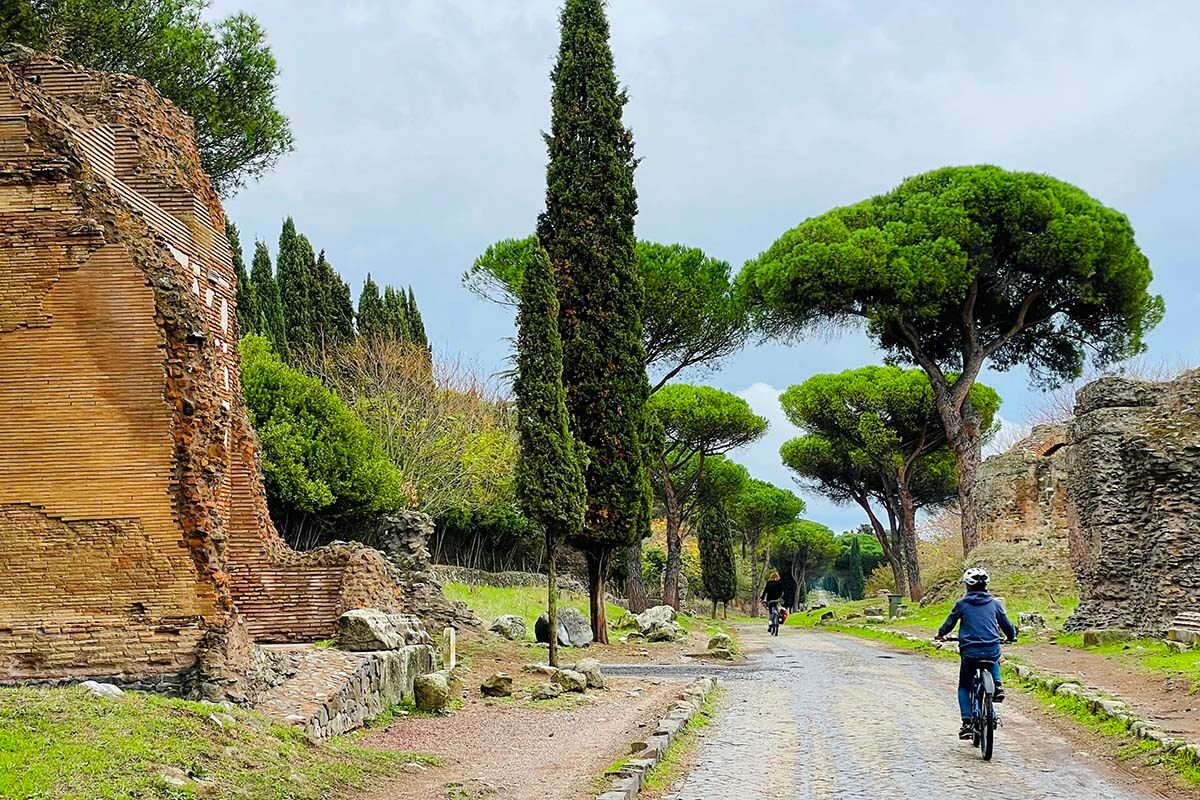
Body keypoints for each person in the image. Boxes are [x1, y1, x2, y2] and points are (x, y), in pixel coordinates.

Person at [936, 567, 1017, 740]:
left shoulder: (962, 604)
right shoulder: (995, 604)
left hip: (970, 651)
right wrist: (1011, 637)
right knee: (993, 657)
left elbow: (949, 624)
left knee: (964, 686)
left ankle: (966, 722)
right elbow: (1006, 625)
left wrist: (941, 634)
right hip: (991, 648)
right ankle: (997, 685)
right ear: (987, 585)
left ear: (967, 586)